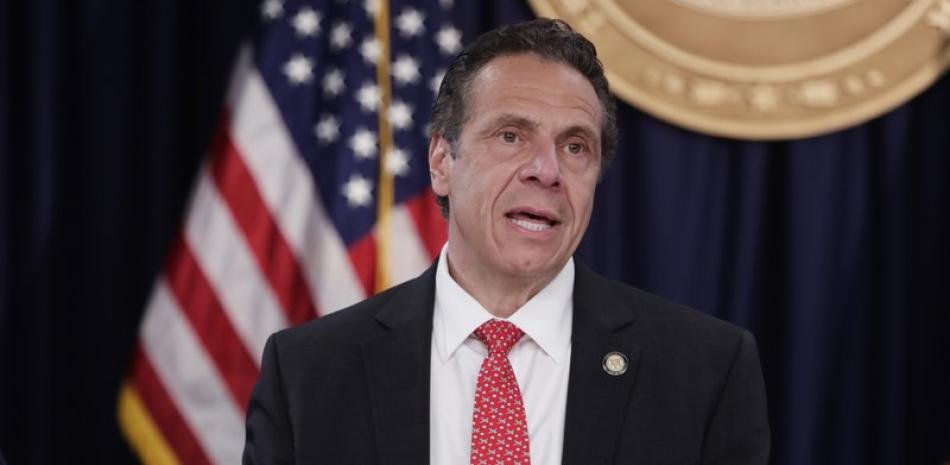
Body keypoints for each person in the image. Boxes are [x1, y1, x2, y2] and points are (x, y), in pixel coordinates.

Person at [243, 18, 769, 465]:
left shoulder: (705, 372)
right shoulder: (308, 376)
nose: (547, 171)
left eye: (575, 146)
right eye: (511, 136)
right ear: (442, 161)